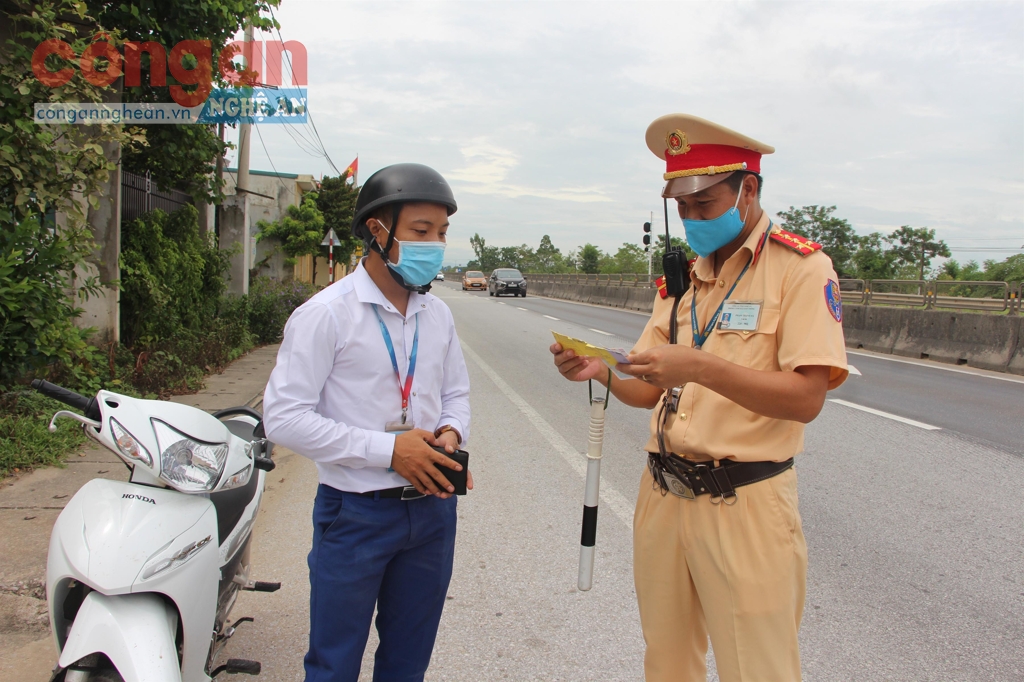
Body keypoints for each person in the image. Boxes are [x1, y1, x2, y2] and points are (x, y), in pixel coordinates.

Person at [551, 114, 848, 681]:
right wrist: (599, 370)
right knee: (667, 662)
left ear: (749, 189)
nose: (690, 219)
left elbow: (807, 397)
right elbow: (647, 389)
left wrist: (701, 366)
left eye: (704, 204)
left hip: (744, 503)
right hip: (662, 493)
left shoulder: (800, 271)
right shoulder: (684, 280)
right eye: (680, 206)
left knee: (756, 667)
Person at [263, 162, 473, 682]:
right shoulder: (326, 314)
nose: (434, 244)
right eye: (421, 232)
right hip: (354, 515)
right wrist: (389, 451)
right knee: (334, 663)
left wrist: (450, 433)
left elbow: (456, 395)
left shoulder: (437, 315)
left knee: (407, 662)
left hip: (431, 515)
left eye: (441, 233)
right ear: (377, 231)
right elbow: (283, 419)